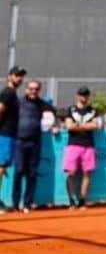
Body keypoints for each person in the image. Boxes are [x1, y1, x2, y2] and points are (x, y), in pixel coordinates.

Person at [13, 79, 52, 212]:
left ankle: (27, 204)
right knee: (18, 171)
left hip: (35, 142)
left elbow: (54, 116)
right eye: (31, 88)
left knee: (31, 174)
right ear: (26, 89)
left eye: (36, 89)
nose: (33, 91)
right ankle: (15, 204)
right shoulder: (18, 103)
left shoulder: (43, 104)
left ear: (39, 90)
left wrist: (55, 126)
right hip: (19, 141)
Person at [63, 87, 102, 208]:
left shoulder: (93, 110)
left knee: (87, 173)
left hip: (88, 145)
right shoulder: (71, 109)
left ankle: (82, 200)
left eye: (86, 95)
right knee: (70, 173)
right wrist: (86, 126)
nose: (83, 97)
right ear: (77, 96)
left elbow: (96, 125)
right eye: (81, 94)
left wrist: (78, 125)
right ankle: (71, 200)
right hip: (73, 144)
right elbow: (69, 126)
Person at [0, 67, 25, 210]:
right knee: (1, 167)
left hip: (8, 135)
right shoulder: (8, 92)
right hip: (5, 135)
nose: (19, 78)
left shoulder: (12, 93)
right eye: (17, 75)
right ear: (9, 76)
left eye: (21, 76)